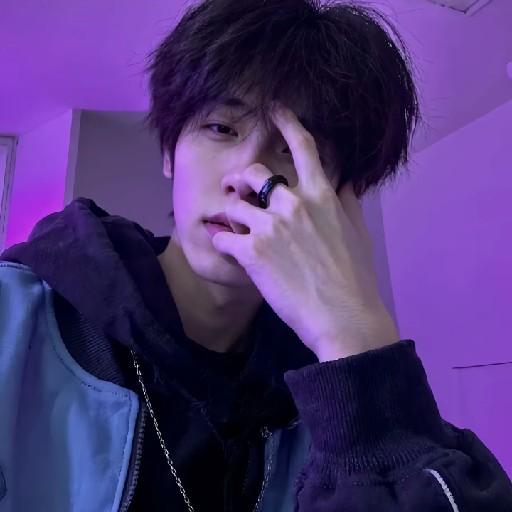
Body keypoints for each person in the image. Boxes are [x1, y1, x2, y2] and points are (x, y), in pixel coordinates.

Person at [0, 0, 511, 510]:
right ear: (169, 152)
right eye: (221, 128)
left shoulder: (324, 389)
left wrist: (355, 335)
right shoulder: (15, 318)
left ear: (339, 197)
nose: (248, 177)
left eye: (294, 148)